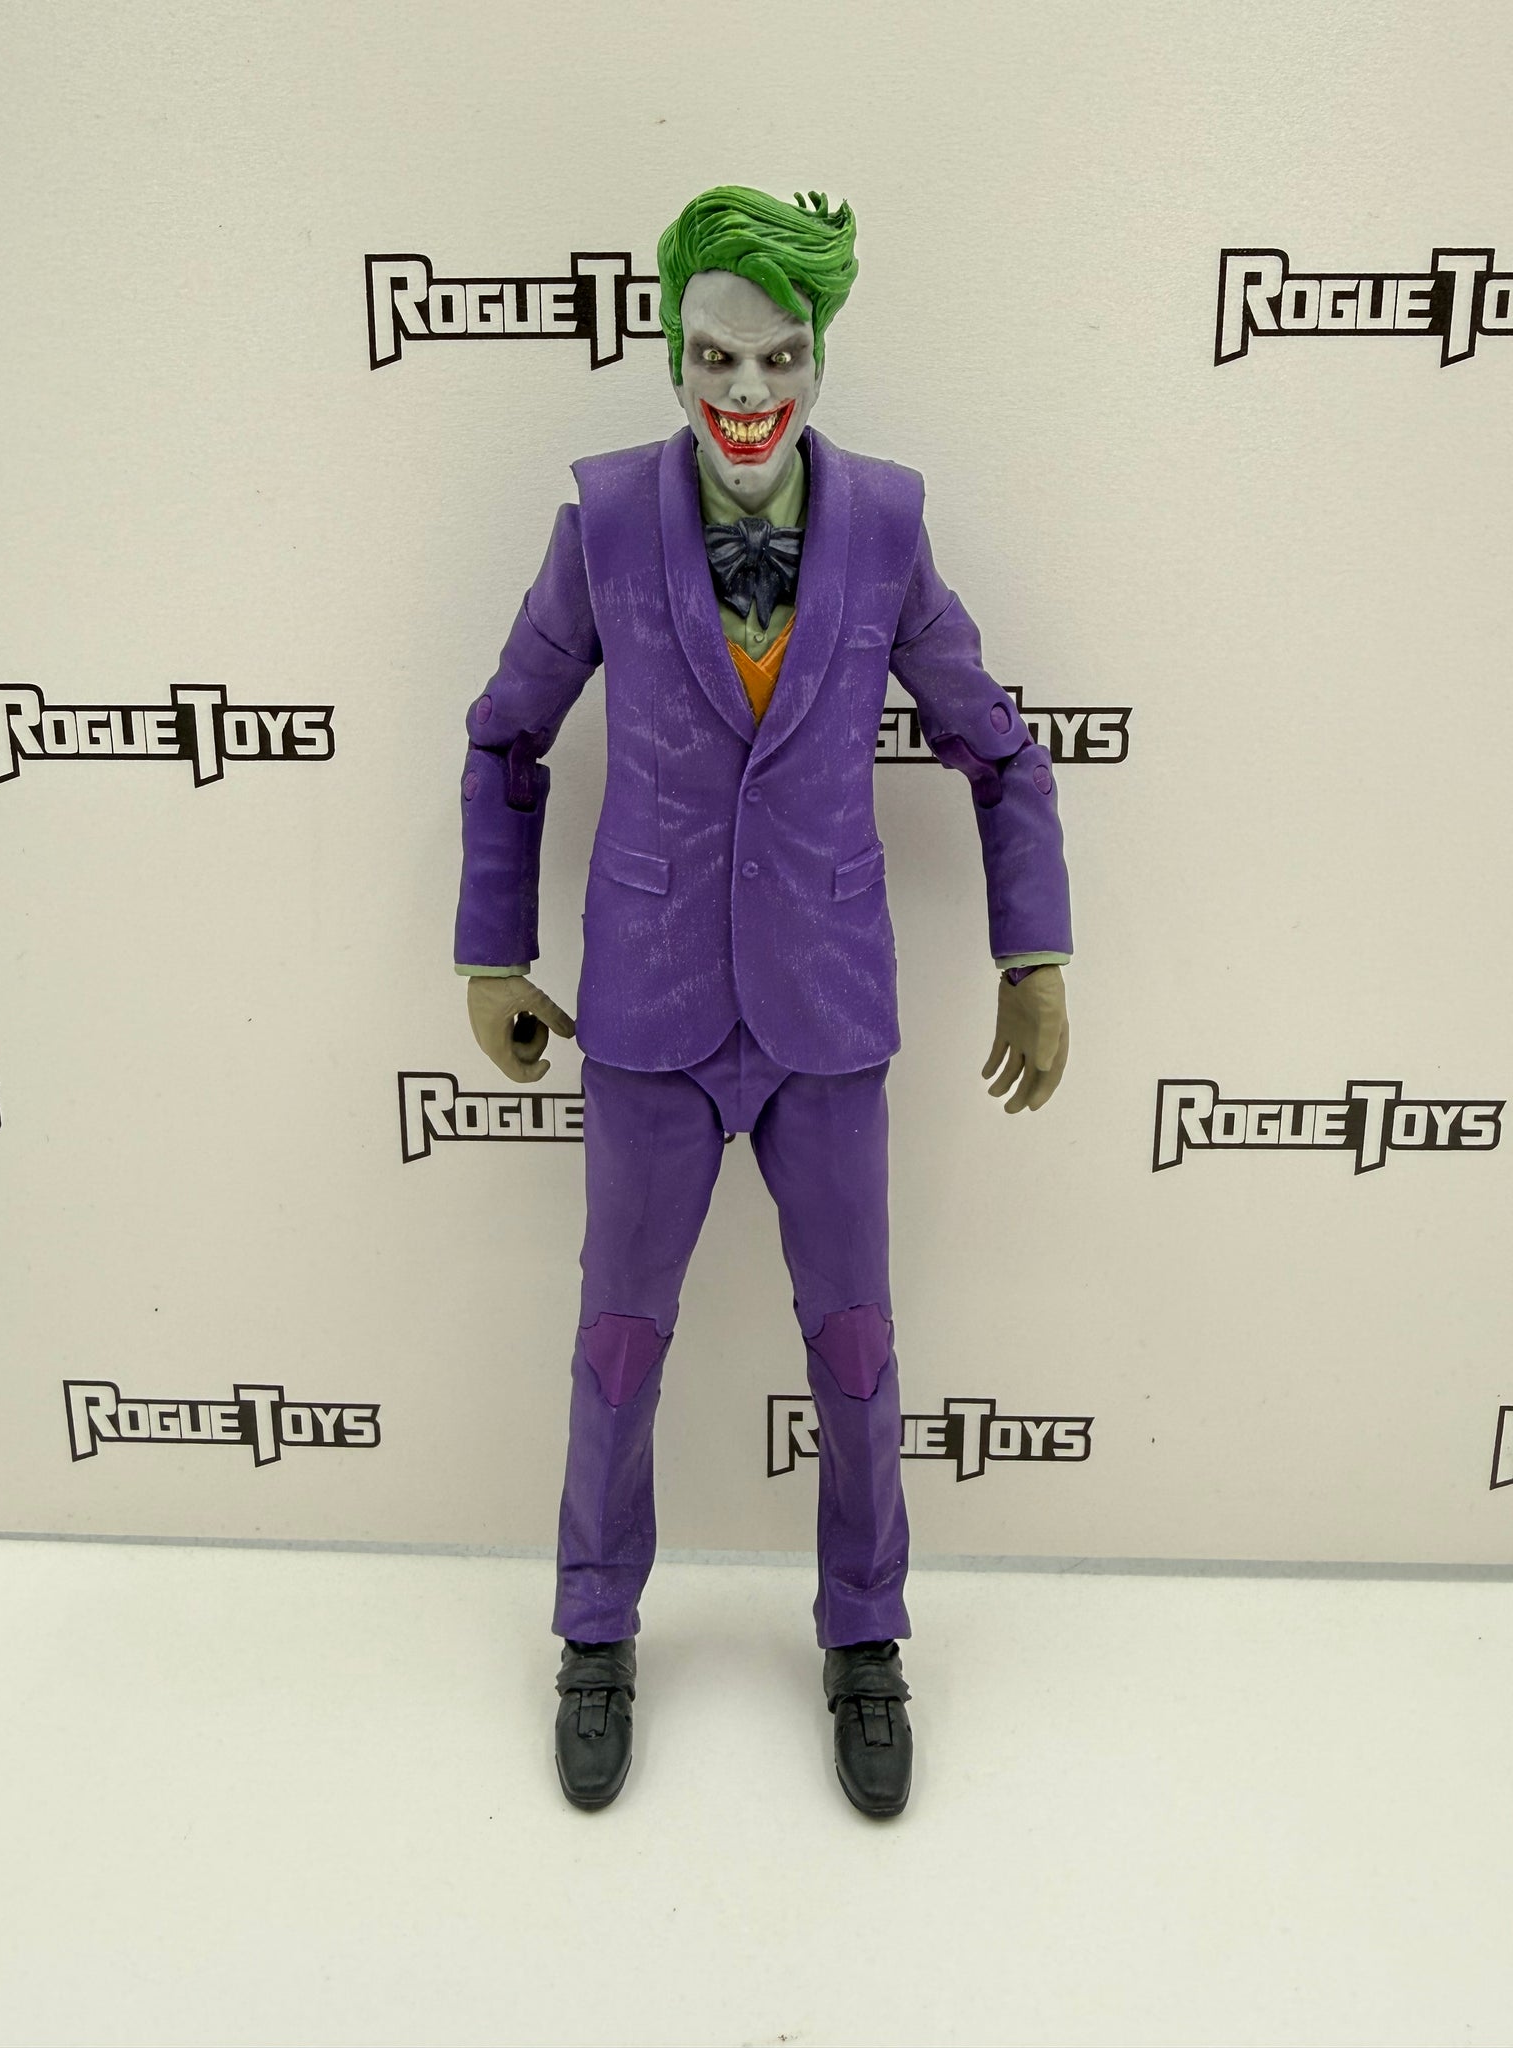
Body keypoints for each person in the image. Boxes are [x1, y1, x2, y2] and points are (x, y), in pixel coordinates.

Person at [453, 186, 1072, 1817]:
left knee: (856, 1353)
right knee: (616, 1348)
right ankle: (595, 1631)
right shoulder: (602, 520)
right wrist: (492, 953)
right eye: (716, 356)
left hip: (828, 1012)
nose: (745, 392)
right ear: (672, 354)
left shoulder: (886, 525)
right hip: (649, 1012)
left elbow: (999, 751)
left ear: (820, 358)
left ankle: (866, 1638)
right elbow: (506, 736)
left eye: (779, 356)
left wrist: (1032, 954)